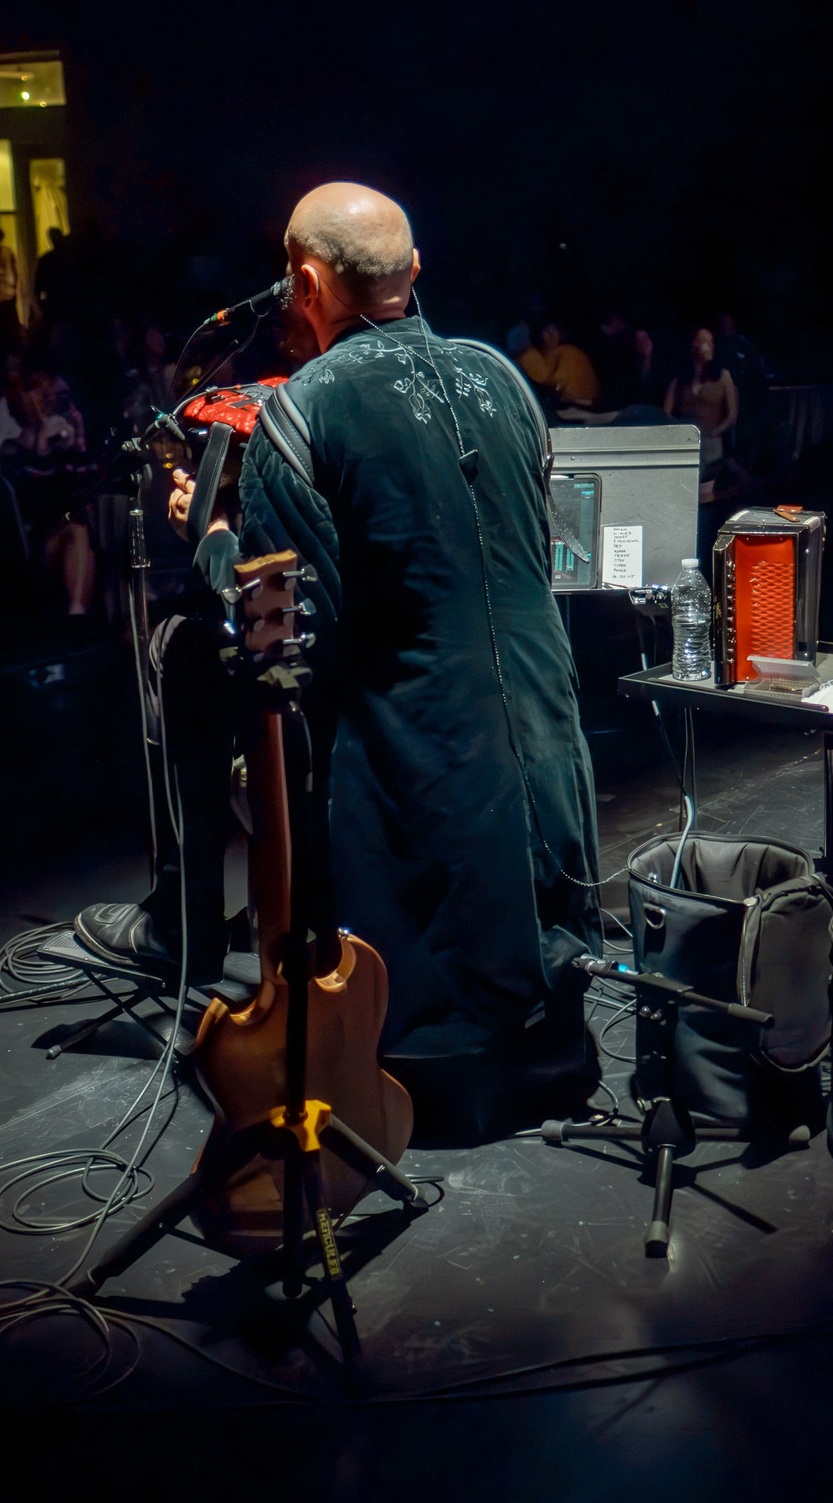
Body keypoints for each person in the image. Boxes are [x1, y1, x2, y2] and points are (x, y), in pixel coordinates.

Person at [233, 181, 600, 1129]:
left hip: (417, 748)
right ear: (414, 271)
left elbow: (290, 637)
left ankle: (419, 1074)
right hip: (544, 721)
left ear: (304, 284)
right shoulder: (502, 377)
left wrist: (215, 539)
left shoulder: (300, 412)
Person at [0, 373, 101, 616]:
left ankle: (81, 616)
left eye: (47, 394)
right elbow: (35, 494)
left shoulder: (59, 447)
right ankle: (77, 619)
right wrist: (42, 437)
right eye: (36, 393)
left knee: (83, 535)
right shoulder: (11, 450)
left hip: (68, 533)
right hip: (34, 544)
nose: (44, 399)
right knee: (77, 531)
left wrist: (78, 439)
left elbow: (88, 477)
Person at [663, 326, 740, 501]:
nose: (710, 346)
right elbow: (666, 412)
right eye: (704, 342)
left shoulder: (723, 376)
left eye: (711, 342)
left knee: (705, 488)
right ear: (694, 345)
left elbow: (732, 415)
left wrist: (715, 431)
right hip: (686, 442)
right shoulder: (681, 378)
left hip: (711, 442)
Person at [516, 320, 600, 409]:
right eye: (547, 332)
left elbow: (548, 379)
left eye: (552, 332)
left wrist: (527, 356)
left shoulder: (569, 352)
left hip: (580, 406)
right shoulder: (547, 353)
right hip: (567, 405)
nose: (550, 336)